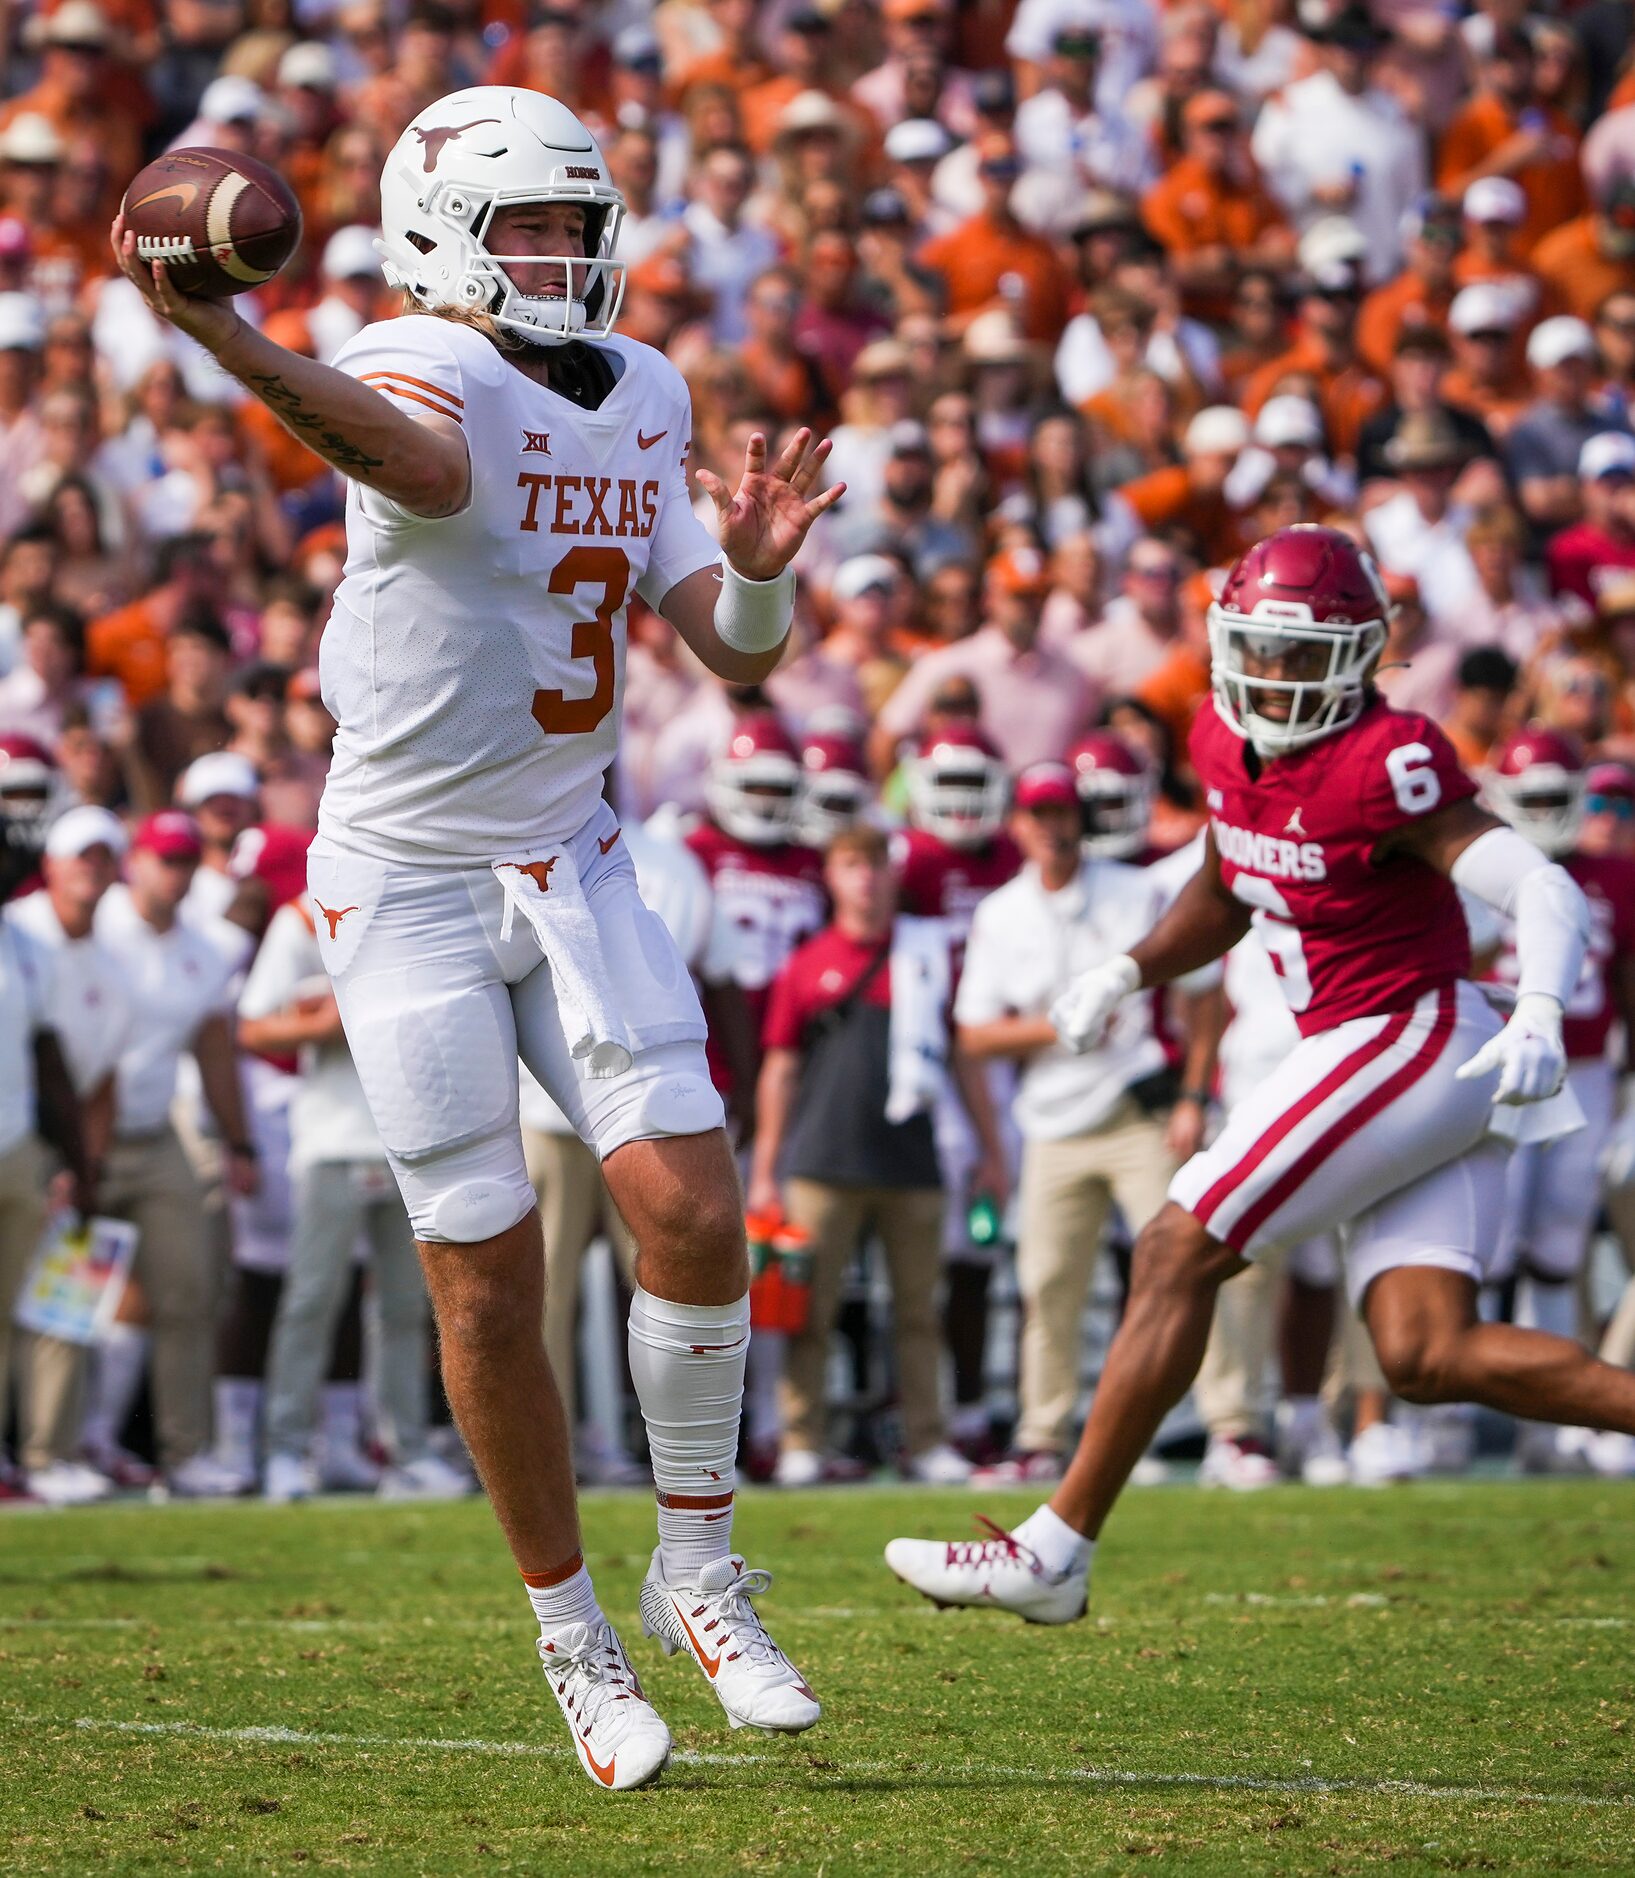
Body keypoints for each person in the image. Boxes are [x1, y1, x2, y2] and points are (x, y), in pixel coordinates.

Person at [112, 83, 837, 1788]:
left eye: (579, 224)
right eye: (529, 225)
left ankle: (701, 1569)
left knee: (697, 1211)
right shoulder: (406, 354)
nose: (563, 253)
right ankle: (572, 1631)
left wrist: (751, 569)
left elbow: (732, 657)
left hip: (574, 851)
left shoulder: (645, 386)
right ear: (445, 233)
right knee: (488, 1272)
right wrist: (228, 334)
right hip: (412, 875)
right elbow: (426, 464)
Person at [884, 523, 1635, 1625]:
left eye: (1301, 653)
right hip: (1376, 1042)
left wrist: (1536, 1004)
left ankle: (1053, 1549)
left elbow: (1546, 891)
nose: (1276, 676)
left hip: (1409, 1030)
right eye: (1260, 649)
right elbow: (1229, 882)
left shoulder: (1390, 760)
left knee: (1178, 1243)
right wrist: (1130, 968)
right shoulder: (1222, 741)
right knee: (1426, 1353)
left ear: (1363, 653)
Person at [952, 761, 1213, 1485]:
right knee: (1048, 1281)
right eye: (1037, 815)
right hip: (1052, 1119)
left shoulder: (1137, 891)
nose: (1051, 828)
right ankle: (1043, 1433)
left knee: (1178, 1265)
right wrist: (1056, 1027)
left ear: (1081, 820)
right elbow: (973, 1033)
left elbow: (1201, 993)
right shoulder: (999, 912)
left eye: (1061, 813)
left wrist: (1194, 1094)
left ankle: (1205, 1426)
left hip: (1139, 1106)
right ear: (1017, 826)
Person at [747, 823, 1003, 1486]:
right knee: (810, 1312)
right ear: (830, 877)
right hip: (821, 1162)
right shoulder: (805, 964)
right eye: (850, 864)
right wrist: (767, 1170)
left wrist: (988, 1149)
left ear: (892, 875)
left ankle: (926, 1440)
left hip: (912, 1159)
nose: (865, 878)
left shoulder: (924, 955)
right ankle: (802, 1440)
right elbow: (780, 1069)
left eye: (875, 864)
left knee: (919, 1311)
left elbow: (963, 1060)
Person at [1484, 728, 1635, 1470]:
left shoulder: (1615, 873)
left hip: (1586, 1072)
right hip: (1500, 1072)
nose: (1545, 811)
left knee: (1555, 1250)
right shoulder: (1480, 868)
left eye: (1557, 796)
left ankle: (1548, 1427)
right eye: (1532, 797)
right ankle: (1459, 1421)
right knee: (1487, 1247)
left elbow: (1626, 979)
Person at [91, 810, 254, 1497]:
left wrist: (238, 1139)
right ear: (136, 860)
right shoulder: (92, 928)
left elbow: (215, 1050)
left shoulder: (205, 950)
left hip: (156, 1135)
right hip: (82, 1138)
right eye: (164, 858)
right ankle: (60, 1445)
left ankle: (184, 1450)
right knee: (62, 1296)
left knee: (189, 1286)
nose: (176, 872)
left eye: (186, 860)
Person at [3, 804, 128, 1503]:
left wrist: (78, 1166)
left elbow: (56, 1063)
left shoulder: (28, 948)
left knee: (58, 1305)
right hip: (29, 1145)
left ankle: (48, 1455)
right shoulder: (28, 936)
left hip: (25, 1147)